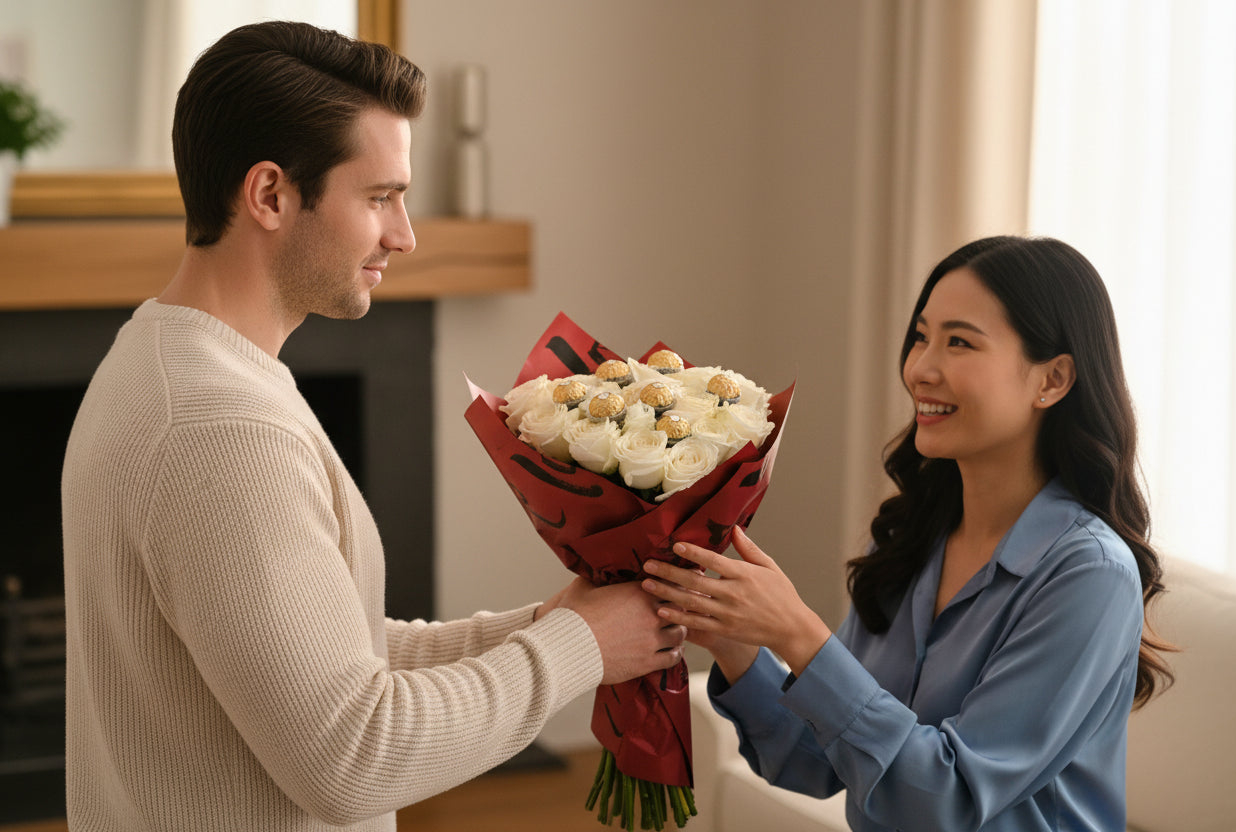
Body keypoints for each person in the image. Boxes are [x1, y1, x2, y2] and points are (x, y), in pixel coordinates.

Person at [60, 21, 684, 831]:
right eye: (380, 196)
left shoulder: (173, 364)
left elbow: (325, 653)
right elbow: (354, 757)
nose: (405, 234)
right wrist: (579, 651)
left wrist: (544, 627)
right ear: (271, 195)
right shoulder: (219, 429)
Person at [641, 236, 1173, 831]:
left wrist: (798, 634)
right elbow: (817, 762)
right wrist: (731, 633)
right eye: (921, 336)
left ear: (1052, 379)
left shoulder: (1088, 575)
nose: (920, 368)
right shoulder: (911, 540)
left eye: (960, 342)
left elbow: (947, 801)